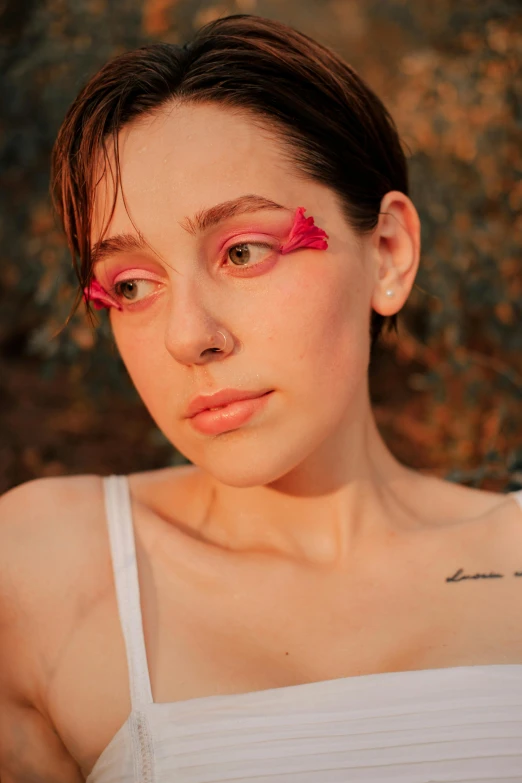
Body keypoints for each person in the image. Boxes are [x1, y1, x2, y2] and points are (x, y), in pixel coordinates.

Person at [0, 13, 521, 783]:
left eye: (243, 250)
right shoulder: (42, 567)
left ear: (387, 253)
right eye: (132, 285)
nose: (189, 336)